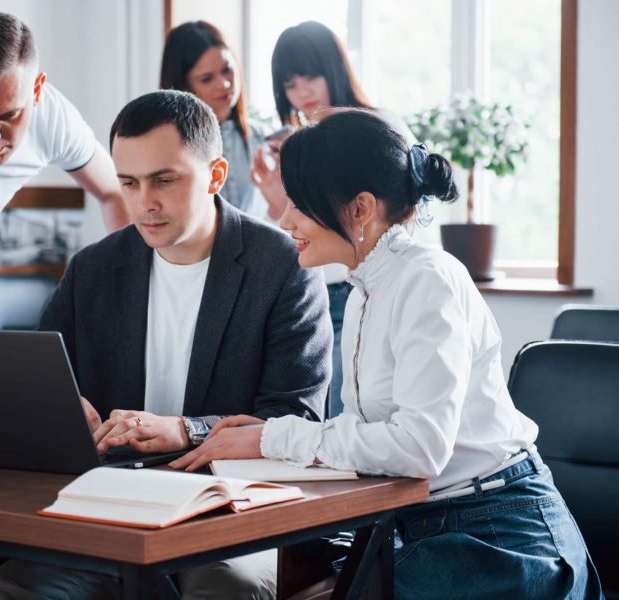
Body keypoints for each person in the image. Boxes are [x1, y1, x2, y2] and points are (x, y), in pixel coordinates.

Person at [173, 109, 604, 599]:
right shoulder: (364, 289)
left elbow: (419, 447)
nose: (283, 218)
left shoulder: (427, 279)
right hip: (422, 523)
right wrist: (266, 437)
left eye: (298, 203)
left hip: (497, 535)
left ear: (360, 209)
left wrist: (273, 439)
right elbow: (370, 437)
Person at [0, 90, 332, 600]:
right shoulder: (93, 269)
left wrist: (184, 431)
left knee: (226, 588)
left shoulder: (284, 266)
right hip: (116, 500)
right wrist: (62, 413)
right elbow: (41, 383)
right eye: (128, 182)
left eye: (164, 180)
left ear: (215, 176)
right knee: (16, 589)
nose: (144, 202)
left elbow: (296, 416)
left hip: (232, 505)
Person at [0, 9, 129, 333]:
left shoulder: (51, 118)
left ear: (36, 90)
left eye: (9, 115)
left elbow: (114, 191)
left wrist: (128, 293)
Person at [252, 20, 416, 419]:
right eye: (289, 84)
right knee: (314, 414)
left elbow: (404, 215)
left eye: (310, 76)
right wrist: (278, 205)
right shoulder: (283, 146)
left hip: (356, 287)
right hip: (306, 292)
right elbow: (280, 233)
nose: (302, 92)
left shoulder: (378, 128)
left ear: (335, 69)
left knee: (353, 414)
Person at [160, 20, 266, 217]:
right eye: (207, 78)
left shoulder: (263, 139)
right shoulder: (167, 148)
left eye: (227, 70)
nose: (225, 84)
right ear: (184, 87)